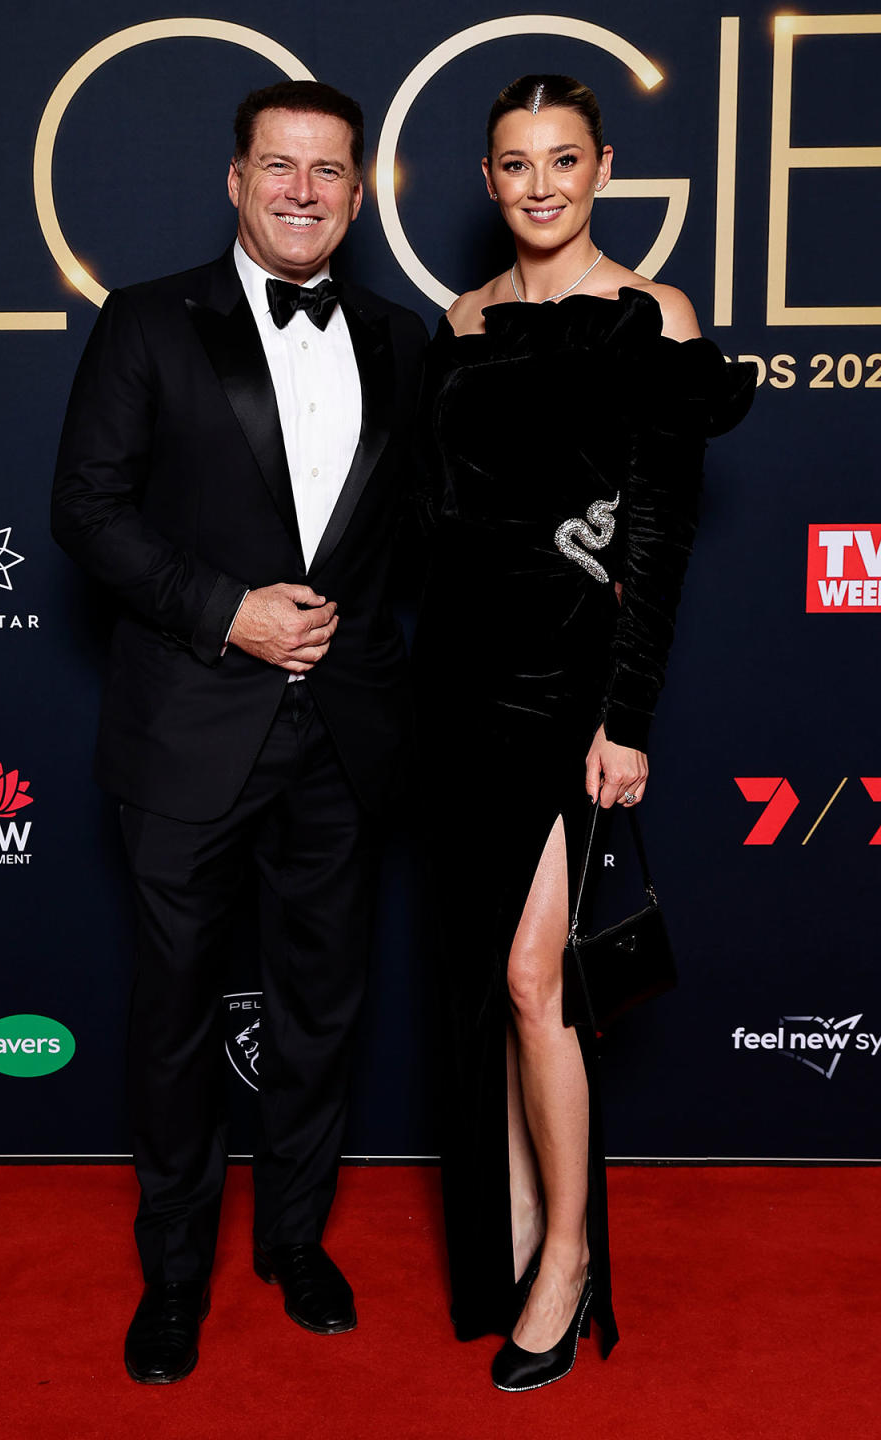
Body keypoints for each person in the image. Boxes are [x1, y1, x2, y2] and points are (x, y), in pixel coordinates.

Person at [51, 79, 427, 1385]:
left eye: (330, 170)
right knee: (173, 1022)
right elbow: (87, 510)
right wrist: (229, 614)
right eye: (281, 166)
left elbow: (442, 528)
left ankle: (299, 1243)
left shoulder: (405, 337)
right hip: (187, 735)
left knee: (323, 1012)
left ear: (361, 190)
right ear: (236, 179)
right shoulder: (149, 322)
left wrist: (592, 553)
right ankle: (172, 1282)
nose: (305, 191)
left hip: (346, 738)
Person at [414, 75, 754, 1392]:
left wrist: (627, 715)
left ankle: (566, 1258)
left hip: (567, 697)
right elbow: (440, 523)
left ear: (603, 166)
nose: (540, 183)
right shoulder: (463, 320)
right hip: (455, 687)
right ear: (488, 178)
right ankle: (510, 1239)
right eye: (515, 162)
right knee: (487, 989)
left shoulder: (648, 321)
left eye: (564, 158)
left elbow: (654, 542)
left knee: (532, 983)